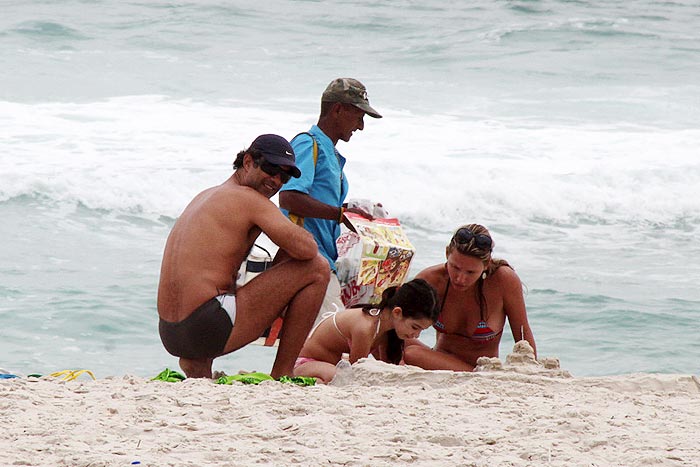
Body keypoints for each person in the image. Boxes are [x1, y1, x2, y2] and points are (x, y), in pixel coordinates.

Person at [157, 134, 330, 379]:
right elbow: (307, 251)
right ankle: (283, 373)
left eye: (284, 177)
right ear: (248, 161)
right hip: (204, 325)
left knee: (227, 290)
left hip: (171, 333)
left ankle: (197, 366)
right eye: (271, 169)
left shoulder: (206, 195)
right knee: (317, 268)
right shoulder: (249, 198)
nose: (276, 181)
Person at [276, 77, 383, 322]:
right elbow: (289, 198)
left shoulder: (331, 155)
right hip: (306, 258)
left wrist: (352, 213)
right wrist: (339, 214)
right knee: (332, 333)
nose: (361, 126)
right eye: (359, 116)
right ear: (337, 109)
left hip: (324, 259)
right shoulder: (307, 143)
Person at [403, 224, 536, 371]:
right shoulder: (431, 279)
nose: (460, 278)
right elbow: (398, 321)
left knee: (412, 354)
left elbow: (524, 337)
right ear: (447, 253)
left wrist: (532, 371)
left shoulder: (503, 280)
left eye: (470, 272)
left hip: (480, 370)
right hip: (439, 359)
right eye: (455, 267)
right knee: (390, 337)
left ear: (486, 264)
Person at [293, 278, 439, 384]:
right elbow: (357, 370)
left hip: (329, 364)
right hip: (305, 363)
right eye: (415, 327)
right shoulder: (365, 327)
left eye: (421, 330)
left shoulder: (386, 327)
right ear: (397, 312)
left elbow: (388, 365)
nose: (416, 335)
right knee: (339, 378)